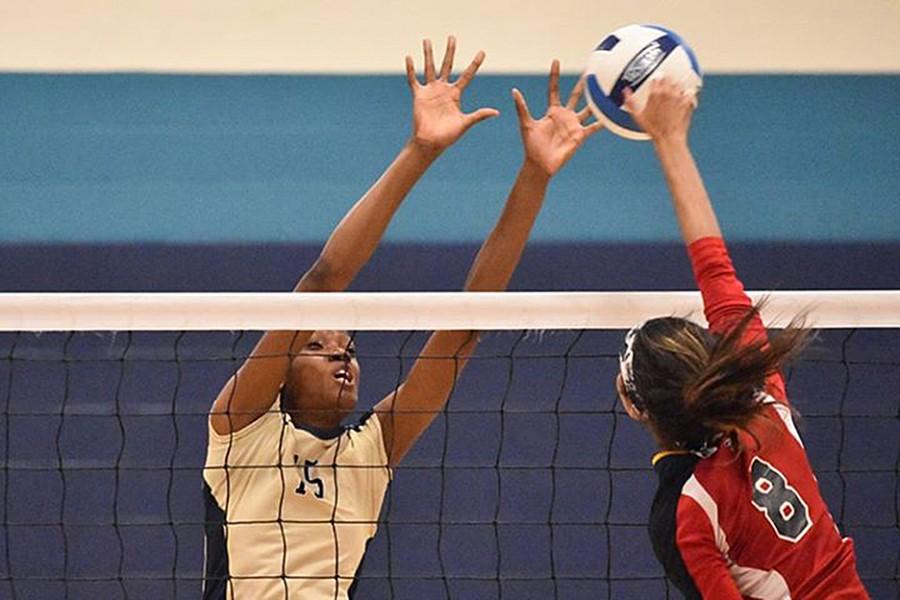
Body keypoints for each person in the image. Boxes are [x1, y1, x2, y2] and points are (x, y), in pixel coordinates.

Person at [202, 36, 602, 600]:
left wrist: (535, 174)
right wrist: (421, 150)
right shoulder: (241, 430)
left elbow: (464, 328)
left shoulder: (372, 450)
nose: (344, 355)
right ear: (283, 371)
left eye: (349, 348)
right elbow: (323, 281)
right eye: (319, 347)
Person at [614, 78, 869, 599]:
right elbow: (716, 268)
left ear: (635, 406)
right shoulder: (763, 404)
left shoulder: (687, 515)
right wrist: (671, 141)